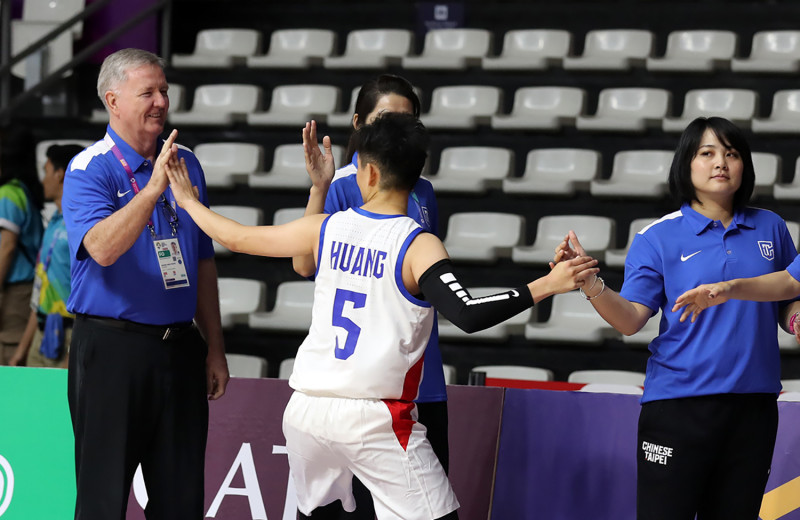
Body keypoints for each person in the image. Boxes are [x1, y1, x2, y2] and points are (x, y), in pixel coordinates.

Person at [164, 112, 599, 520]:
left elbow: (237, 238)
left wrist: (186, 200)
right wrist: (545, 285)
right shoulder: (418, 243)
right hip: (374, 418)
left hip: (306, 411)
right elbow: (466, 312)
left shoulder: (326, 227)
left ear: (369, 173)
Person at [554, 117, 794, 520]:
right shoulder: (657, 237)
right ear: (686, 164)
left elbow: (788, 295)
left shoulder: (771, 226)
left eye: (732, 154)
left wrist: (794, 318)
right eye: (707, 153)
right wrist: (591, 283)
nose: (721, 163)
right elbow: (630, 319)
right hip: (679, 408)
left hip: (753, 408)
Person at [61, 48, 229, 520]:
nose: (160, 101)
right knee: (103, 499)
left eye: (164, 91)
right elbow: (102, 249)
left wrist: (214, 347)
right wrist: (153, 188)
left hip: (179, 350)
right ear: (113, 101)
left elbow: (202, 261)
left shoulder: (187, 163)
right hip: (113, 351)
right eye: (147, 92)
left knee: (180, 501)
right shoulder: (89, 168)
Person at [292, 74, 447, 519]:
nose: (395, 128)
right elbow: (304, 265)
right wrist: (317, 189)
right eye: (385, 118)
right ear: (359, 124)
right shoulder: (344, 184)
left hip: (421, 378)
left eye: (406, 118)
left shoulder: (424, 192)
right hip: (366, 391)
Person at [9, 144, 83, 368]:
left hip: (70, 335)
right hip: (41, 334)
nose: (43, 181)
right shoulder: (52, 223)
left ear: (60, 174)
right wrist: (21, 350)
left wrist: (76, 350)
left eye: (47, 171)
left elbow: (89, 288)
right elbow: (40, 289)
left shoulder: (81, 223)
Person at [0, 129, 44, 364]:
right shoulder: (24, 191)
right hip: (25, 290)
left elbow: (6, 249)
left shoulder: (8, 194)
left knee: (9, 358)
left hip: (13, 293)